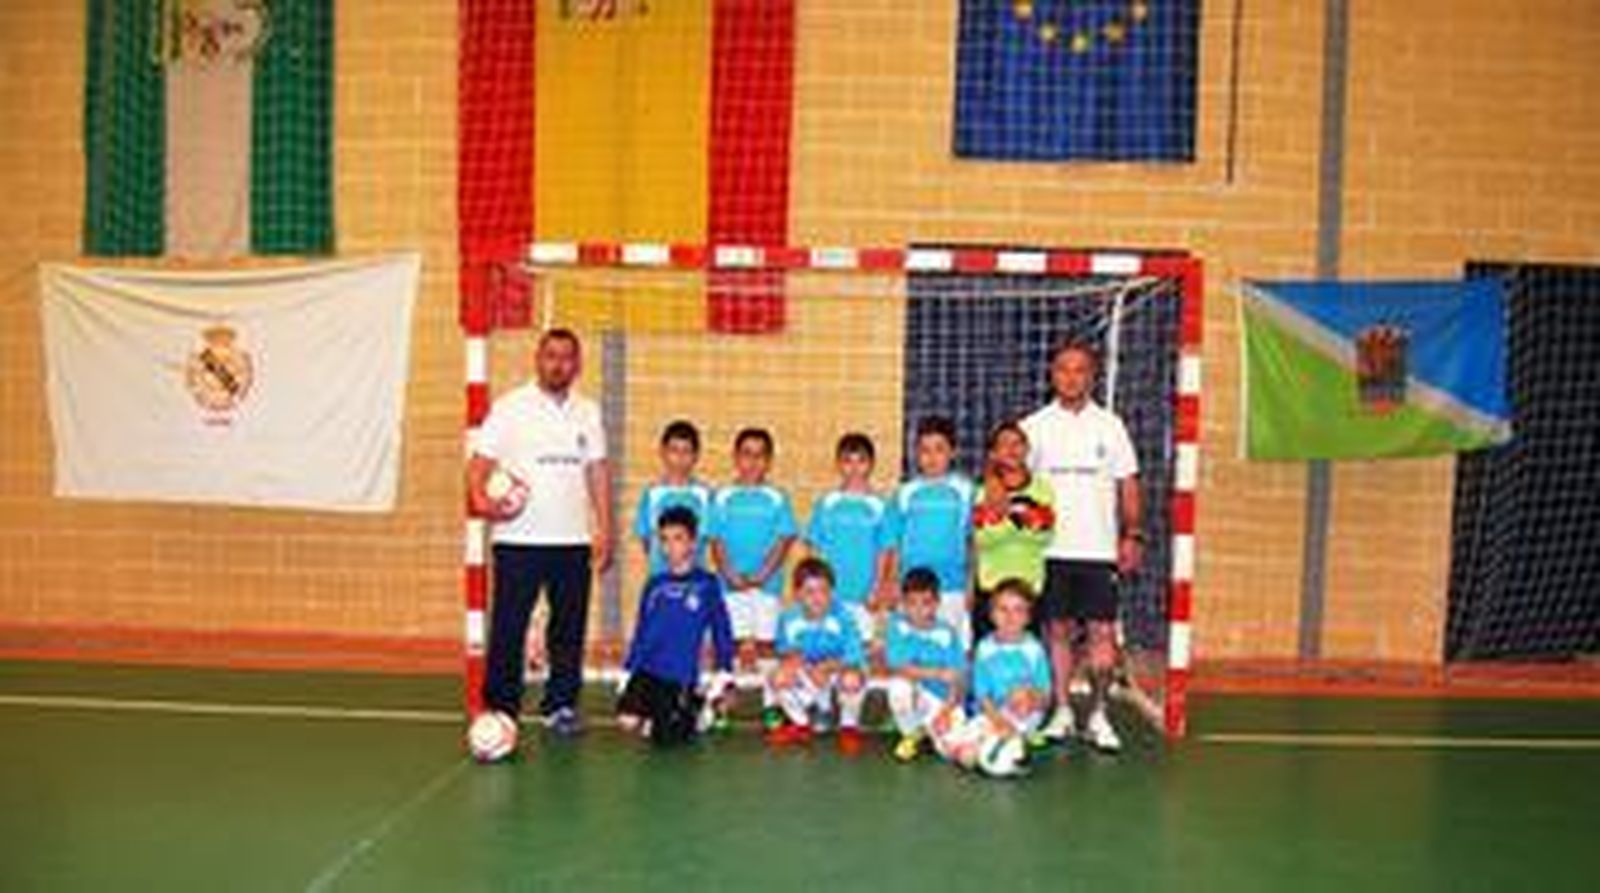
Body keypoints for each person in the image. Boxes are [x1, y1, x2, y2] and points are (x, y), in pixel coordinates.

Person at [468, 328, 612, 737]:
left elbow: (597, 470)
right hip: (518, 540)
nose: (558, 364)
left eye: (567, 357)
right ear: (538, 359)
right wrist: (479, 498)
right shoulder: (510, 407)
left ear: (577, 364)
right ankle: (501, 710)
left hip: (573, 540)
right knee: (508, 628)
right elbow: (479, 463)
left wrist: (605, 528)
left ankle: (560, 705)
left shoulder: (588, 411)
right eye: (551, 356)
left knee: (568, 629)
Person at [1021, 341, 1142, 752]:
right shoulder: (1033, 426)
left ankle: (1099, 713)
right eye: (1063, 369)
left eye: (1080, 370)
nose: (1071, 377)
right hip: (1050, 550)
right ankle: (1062, 710)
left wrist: (1132, 534)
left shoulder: (1111, 426)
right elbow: (1015, 484)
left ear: (1092, 376)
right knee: (1057, 631)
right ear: (1052, 375)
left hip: (1098, 552)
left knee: (1101, 633)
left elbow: (1128, 484)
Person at [616, 506, 735, 747]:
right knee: (627, 721)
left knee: (668, 742)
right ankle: (658, 713)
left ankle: (699, 705)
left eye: (678, 538)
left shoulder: (706, 584)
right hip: (648, 670)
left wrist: (725, 669)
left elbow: (721, 628)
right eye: (664, 540)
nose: (670, 547)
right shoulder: (655, 584)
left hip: (680, 676)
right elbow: (642, 630)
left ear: (692, 543)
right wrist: (628, 669)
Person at [707, 427, 799, 728]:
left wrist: (763, 573)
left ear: (769, 461)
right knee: (730, 645)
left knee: (766, 646)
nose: (753, 461)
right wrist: (730, 574)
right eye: (746, 454)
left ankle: (772, 705)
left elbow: (784, 539)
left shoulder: (777, 498)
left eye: (760, 455)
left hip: (767, 587)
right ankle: (722, 704)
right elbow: (716, 540)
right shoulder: (722, 497)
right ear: (736, 458)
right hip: (730, 586)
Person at [932, 580, 1050, 778]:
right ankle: (978, 749)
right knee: (952, 734)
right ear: (992, 614)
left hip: (1022, 714)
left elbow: (1045, 695)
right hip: (990, 713)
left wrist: (1030, 697)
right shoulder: (984, 648)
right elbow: (982, 695)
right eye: (1003, 609)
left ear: (1028, 617)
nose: (1010, 617)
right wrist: (998, 720)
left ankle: (1008, 744)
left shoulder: (1034, 649)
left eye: (1018, 610)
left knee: (1018, 698)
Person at [764, 557, 869, 754]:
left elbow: (854, 655)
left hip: (839, 670)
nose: (817, 598)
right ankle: (800, 724)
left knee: (852, 680)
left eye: (823, 591)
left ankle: (849, 727)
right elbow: (785, 651)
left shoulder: (844, 617)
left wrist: (827, 667)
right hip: (808, 670)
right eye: (809, 592)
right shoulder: (789, 618)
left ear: (832, 592)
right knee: (778, 676)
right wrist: (800, 664)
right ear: (797, 594)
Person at [804, 432, 898, 648]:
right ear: (838, 464)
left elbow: (886, 550)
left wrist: (877, 587)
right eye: (848, 461)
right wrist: (816, 589)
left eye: (861, 461)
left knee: (861, 647)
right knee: (828, 648)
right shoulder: (826, 503)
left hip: (864, 595)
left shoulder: (880, 506)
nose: (854, 468)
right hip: (830, 594)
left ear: (871, 465)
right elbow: (813, 549)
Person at [892, 416, 976, 648]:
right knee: (911, 651)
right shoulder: (904, 493)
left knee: (953, 652)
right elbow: (894, 544)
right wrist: (893, 583)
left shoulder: (966, 491)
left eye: (939, 449)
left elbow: (973, 541)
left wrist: (971, 584)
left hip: (952, 587)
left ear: (952, 453)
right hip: (911, 588)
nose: (932, 457)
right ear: (916, 454)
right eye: (925, 450)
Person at [972, 420, 1056, 643]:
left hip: (1030, 585)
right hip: (991, 584)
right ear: (993, 453)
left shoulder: (1042, 489)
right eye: (1004, 444)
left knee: (1027, 652)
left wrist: (1002, 517)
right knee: (988, 652)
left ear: (1027, 449)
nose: (1012, 449)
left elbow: (1043, 535)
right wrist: (1023, 519)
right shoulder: (982, 492)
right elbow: (983, 538)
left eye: (1018, 443)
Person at [884, 567, 967, 763]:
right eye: (912, 603)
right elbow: (897, 666)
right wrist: (936, 673)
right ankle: (912, 734)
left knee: (951, 752)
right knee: (899, 688)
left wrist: (945, 712)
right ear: (903, 603)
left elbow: (958, 679)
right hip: (916, 694)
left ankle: (933, 733)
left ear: (937, 603)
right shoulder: (897, 626)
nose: (919, 610)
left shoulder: (947, 633)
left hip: (942, 700)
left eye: (926, 603)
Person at [633, 419, 713, 576]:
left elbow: (706, 537)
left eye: (686, 451)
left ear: (696, 456)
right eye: (674, 450)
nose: (680, 457)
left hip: (695, 579)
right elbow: (646, 540)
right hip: (660, 576)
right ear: (663, 453)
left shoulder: (704, 495)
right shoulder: (652, 494)